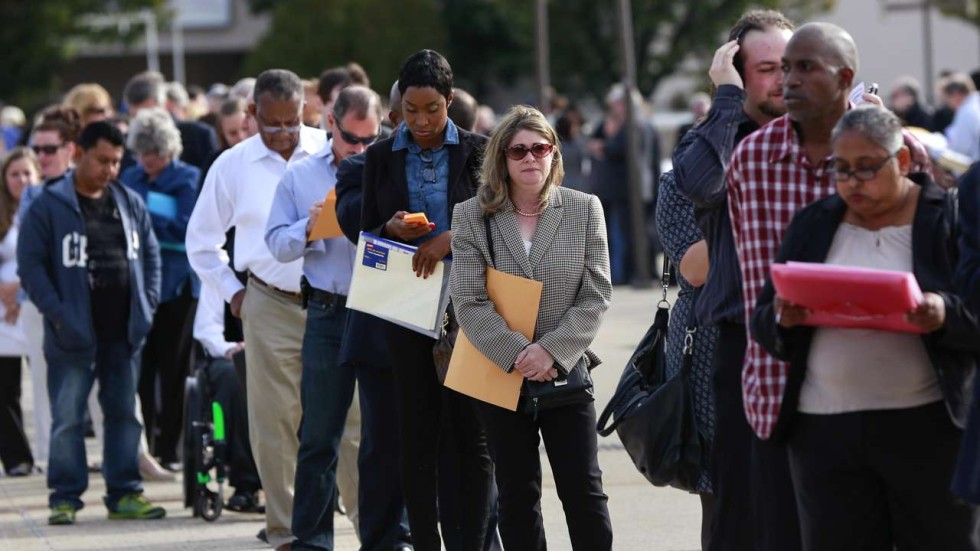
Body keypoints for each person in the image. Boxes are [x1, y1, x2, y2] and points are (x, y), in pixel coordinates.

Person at [726, 22, 933, 550]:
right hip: (781, 393)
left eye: (804, 67)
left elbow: (937, 263)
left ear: (845, 78)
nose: (787, 81)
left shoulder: (899, 153)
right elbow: (752, 284)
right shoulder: (751, 160)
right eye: (781, 68)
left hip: (904, 398)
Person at [751, 105, 979, 549]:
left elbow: (975, 314)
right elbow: (764, 320)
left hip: (928, 430)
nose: (854, 182)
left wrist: (942, 312)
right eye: (842, 169)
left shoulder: (943, 218)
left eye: (868, 168)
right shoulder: (814, 223)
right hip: (824, 434)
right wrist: (784, 316)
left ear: (905, 162)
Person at [450, 105, 613, 550]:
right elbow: (467, 299)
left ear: (554, 154)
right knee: (518, 498)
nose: (530, 158)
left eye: (540, 148)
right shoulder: (471, 216)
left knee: (584, 491)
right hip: (502, 375)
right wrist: (520, 353)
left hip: (565, 372)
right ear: (501, 158)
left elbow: (596, 294)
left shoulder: (584, 209)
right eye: (518, 150)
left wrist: (550, 352)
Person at [186, 68, 326, 551]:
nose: (285, 134)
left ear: (306, 109)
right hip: (267, 300)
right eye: (273, 124)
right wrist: (235, 294)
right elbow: (201, 243)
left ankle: (365, 521)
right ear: (251, 114)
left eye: (293, 122)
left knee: (346, 416)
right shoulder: (232, 165)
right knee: (274, 421)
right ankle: (285, 529)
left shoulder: (329, 152)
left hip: (331, 300)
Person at [360, 49, 493, 551]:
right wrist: (388, 229)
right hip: (405, 300)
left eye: (432, 109)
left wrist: (453, 236)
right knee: (417, 435)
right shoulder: (380, 155)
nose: (421, 121)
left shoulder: (481, 150)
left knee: (472, 435)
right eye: (411, 110)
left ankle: (474, 542)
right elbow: (365, 231)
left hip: (472, 303)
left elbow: (498, 219)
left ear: (449, 102)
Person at [671, 10, 794, 549]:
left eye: (792, 66)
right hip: (733, 343)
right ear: (737, 72)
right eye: (767, 69)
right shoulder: (711, 140)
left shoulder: (820, 136)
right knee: (735, 508)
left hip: (814, 343)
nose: (784, 79)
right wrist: (725, 102)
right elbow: (701, 183)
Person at [17, 121, 164, 525]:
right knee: (67, 418)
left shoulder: (129, 201)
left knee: (123, 414)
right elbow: (31, 268)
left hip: (123, 332)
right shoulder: (48, 205)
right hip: (72, 334)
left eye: (117, 162)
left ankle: (125, 492)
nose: (111, 170)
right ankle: (64, 497)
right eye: (103, 160)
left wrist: (147, 307)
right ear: (78, 153)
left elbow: (151, 258)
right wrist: (61, 316)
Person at [264, 84, 381, 550]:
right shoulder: (301, 175)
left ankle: (394, 534)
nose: (361, 150)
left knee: (384, 432)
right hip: (329, 310)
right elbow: (275, 243)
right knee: (319, 434)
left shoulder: (389, 164)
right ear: (331, 124)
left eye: (370, 139)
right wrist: (309, 227)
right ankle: (312, 539)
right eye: (352, 140)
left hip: (379, 308)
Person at [120, 107, 201, 470]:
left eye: (154, 153)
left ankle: (172, 450)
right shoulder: (129, 176)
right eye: (142, 152)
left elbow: (186, 227)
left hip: (178, 287)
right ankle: (144, 449)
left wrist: (143, 219)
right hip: (138, 285)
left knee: (174, 368)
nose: (147, 160)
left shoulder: (187, 178)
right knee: (142, 368)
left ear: (169, 150)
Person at [654, 171, 717, 548]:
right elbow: (693, 270)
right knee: (720, 492)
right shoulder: (680, 181)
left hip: (783, 337)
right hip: (707, 343)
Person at [191, 281, 263, 512]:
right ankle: (246, 482)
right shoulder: (219, 272)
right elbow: (206, 328)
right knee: (234, 376)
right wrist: (230, 348)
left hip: (278, 350)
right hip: (229, 355)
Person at [0, 147, 39, 477]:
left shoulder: (43, 208)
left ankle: (50, 455)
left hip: (35, 304)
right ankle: (16, 458)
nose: (22, 180)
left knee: (45, 385)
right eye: (15, 174)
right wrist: (7, 295)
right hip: (3, 313)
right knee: (5, 388)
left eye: (27, 173)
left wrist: (19, 289)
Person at [123, 71, 219, 170]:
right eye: (137, 116)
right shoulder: (127, 142)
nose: (144, 121)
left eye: (147, 112)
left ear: (163, 103)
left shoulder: (199, 135)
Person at [941, 72, 980, 163]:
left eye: (948, 99)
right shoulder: (974, 104)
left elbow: (960, 150)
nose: (949, 105)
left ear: (956, 95)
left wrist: (934, 151)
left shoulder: (967, 112)